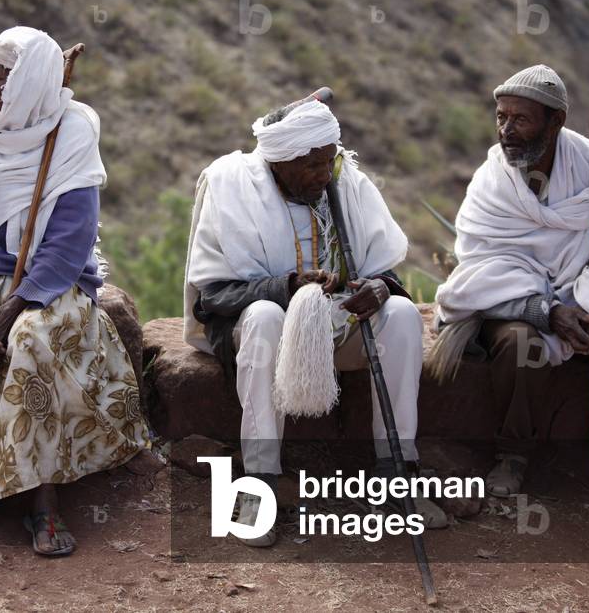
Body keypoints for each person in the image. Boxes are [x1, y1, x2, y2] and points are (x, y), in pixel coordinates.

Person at [0, 26, 159, 558]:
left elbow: (70, 241)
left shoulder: (71, 133)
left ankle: (42, 498)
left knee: (30, 338)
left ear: (30, 87)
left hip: (49, 281)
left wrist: (16, 303)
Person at [184, 98, 447, 548]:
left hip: (338, 325)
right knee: (265, 317)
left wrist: (382, 286)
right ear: (280, 162)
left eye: (329, 160)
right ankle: (259, 484)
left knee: (402, 314)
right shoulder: (232, 189)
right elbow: (214, 296)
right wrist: (286, 286)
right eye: (311, 165)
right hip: (268, 326)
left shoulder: (347, 183)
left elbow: (385, 269)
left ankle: (398, 473)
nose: (324, 174)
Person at [432, 64, 589, 497]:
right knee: (521, 344)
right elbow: (480, 268)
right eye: (501, 117)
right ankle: (513, 455)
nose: (506, 130)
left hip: (584, 291)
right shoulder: (490, 180)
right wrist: (546, 311)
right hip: (514, 300)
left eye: (520, 119)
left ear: (556, 121)